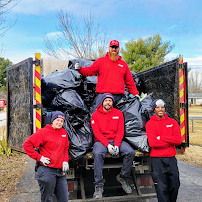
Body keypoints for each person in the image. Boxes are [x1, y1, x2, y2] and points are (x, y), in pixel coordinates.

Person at [91, 93, 136, 199]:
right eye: (106, 100)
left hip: (116, 140)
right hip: (101, 142)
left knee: (130, 152)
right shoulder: (95, 115)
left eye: (110, 101)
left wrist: (116, 145)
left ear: (112, 102)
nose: (108, 102)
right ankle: (98, 185)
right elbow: (96, 133)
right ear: (102, 102)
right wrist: (107, 145)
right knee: (97, 154)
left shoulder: (119, 113)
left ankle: (123, 177)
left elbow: (121, 131)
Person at [74, 40, 139, 107]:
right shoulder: (101, 61)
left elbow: (130, 81)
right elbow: (89, 71)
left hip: (119, 98)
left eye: (116, 47)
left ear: (119, 49)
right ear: (109, 48)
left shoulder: (123, 64)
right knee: (99, 116)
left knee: (118, 116)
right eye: (112, 47)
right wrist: (80, 69)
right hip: (103, 96)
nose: (114, 49)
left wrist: (135, 94)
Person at [23, 111, 69, 202]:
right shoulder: (43, 132)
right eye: (57, 120)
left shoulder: (63, 132)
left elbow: (65, 149)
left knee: (64, 199)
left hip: (60, 172)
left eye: (62, 121)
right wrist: (39, 157)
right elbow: (27, 145)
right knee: (47, 199)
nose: (59, 123)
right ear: (52, 121)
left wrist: (65, 161)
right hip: (47, 170)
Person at [145, 99, 182, 202]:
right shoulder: (150, 124)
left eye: (162, 107)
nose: (160, 109)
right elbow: (153, 143)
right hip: (157, 160)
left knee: (174, 186)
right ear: (154, 109)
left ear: (165, 108)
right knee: (162, 189)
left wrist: (161, 137)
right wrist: (170, 141)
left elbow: (178, 140)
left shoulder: (172, 122)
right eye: (157, 107)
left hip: (171, 158)